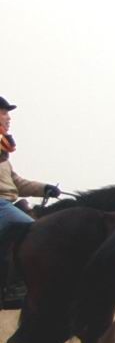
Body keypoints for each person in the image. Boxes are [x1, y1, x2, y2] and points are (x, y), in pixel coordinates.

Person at [0, 96, 60, 307]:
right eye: (4, 112)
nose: (8, 118)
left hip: (8, 204)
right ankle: (14, 285)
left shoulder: (3, 149)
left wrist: (44, 188)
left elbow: (16, 182)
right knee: (32, 228)